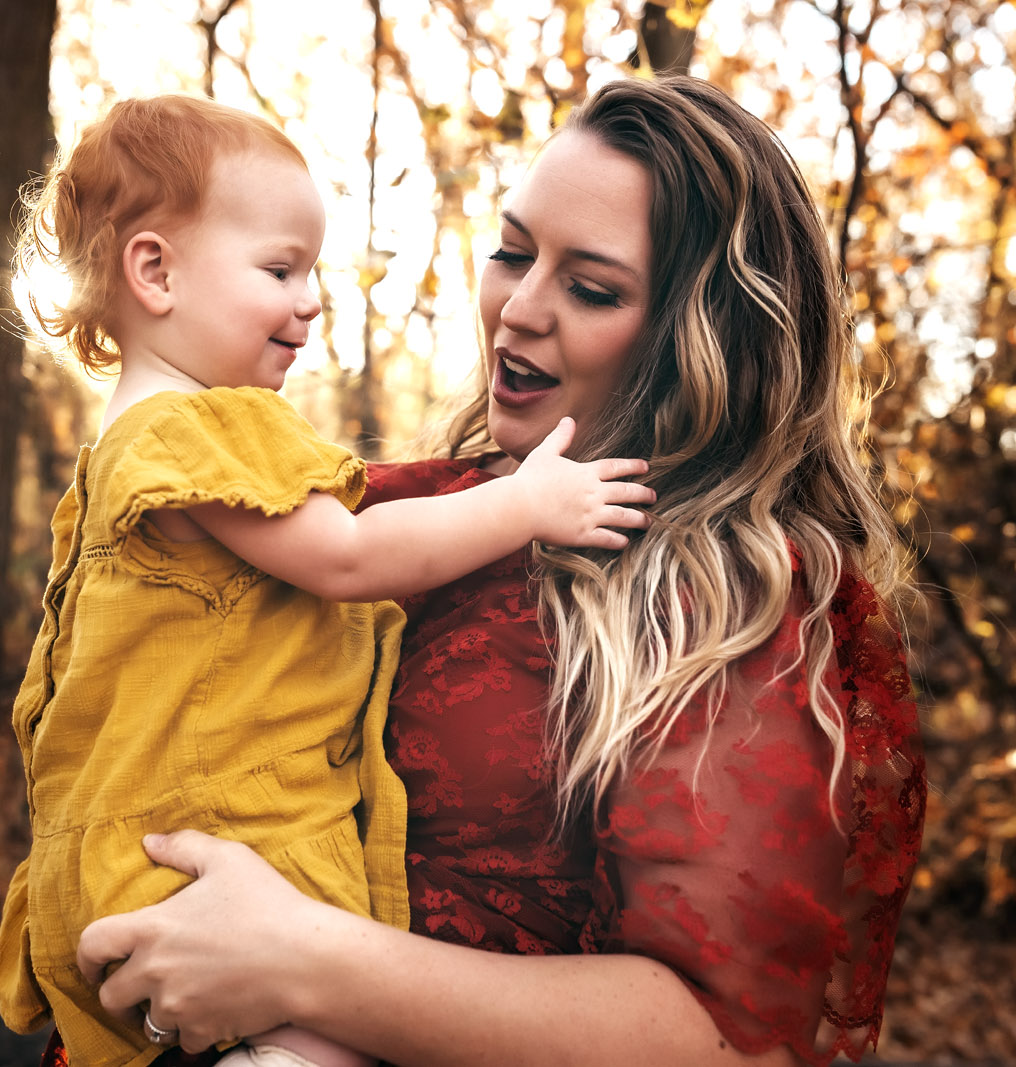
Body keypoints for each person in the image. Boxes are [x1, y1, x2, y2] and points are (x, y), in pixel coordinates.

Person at [69, 75, 927, 1067]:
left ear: (701, 337)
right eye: (512, 252)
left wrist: (303, 962)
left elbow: (724, 1038)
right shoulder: (388, 508)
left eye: (590, 287)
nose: (517, 309)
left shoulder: (746, 604)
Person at [0, 94, 654, 1067]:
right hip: (227, 834)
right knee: (311, 1037)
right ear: (154, 269)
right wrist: (526, 503)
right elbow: (349, 557)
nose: (311, 300)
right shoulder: (204, 428)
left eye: (309, 270)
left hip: (129, 848)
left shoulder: (125, 447)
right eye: (278, 269)